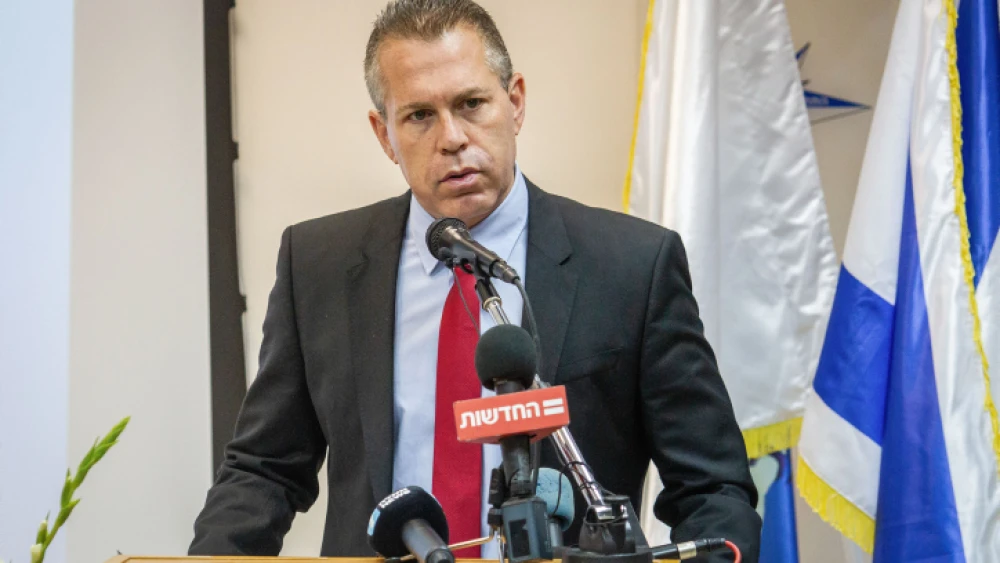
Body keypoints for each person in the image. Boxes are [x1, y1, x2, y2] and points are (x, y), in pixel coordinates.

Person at [190, 1, 761, 561]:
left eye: (471, 104)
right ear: (384, 134)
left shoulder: (632, 264)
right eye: (418, 116)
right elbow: (264, 470)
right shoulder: (318, 264)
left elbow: (713, 489)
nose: (453, 138)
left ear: (514, 104)